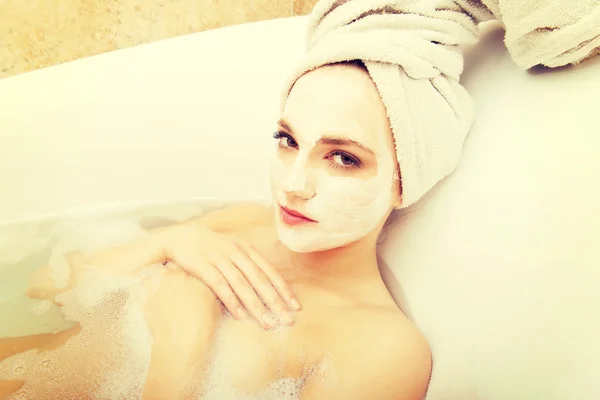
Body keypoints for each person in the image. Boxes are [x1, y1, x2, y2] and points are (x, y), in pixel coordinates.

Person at [0, 61, 432, 399]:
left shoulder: (383, 350)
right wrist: (168, 241)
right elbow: (44, 287)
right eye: (288, 141)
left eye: (343, 158)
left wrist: (182, 344)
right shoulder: (245, 221)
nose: (293, 184)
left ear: (403, 182)